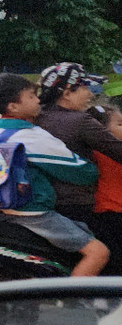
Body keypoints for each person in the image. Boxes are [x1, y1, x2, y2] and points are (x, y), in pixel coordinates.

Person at [0, 73, 109, 276]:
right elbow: (82, 172)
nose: (38, 100)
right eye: (31, 96)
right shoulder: (29, 135)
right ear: (13, 106)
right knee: (98, 252)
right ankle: (68, 300)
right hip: (33, 214)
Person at [35, 62, 122, 242]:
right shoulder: (80, 121)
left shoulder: (35, 118)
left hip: (40, 203)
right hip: (78, 205)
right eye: (85, 88)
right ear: (67, 93)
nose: (90, 94)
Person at [85, 104, 122, 273]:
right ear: (101, 131)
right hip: (112, 216)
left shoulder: (90, 153)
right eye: (120, 124)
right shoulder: (110, 154)